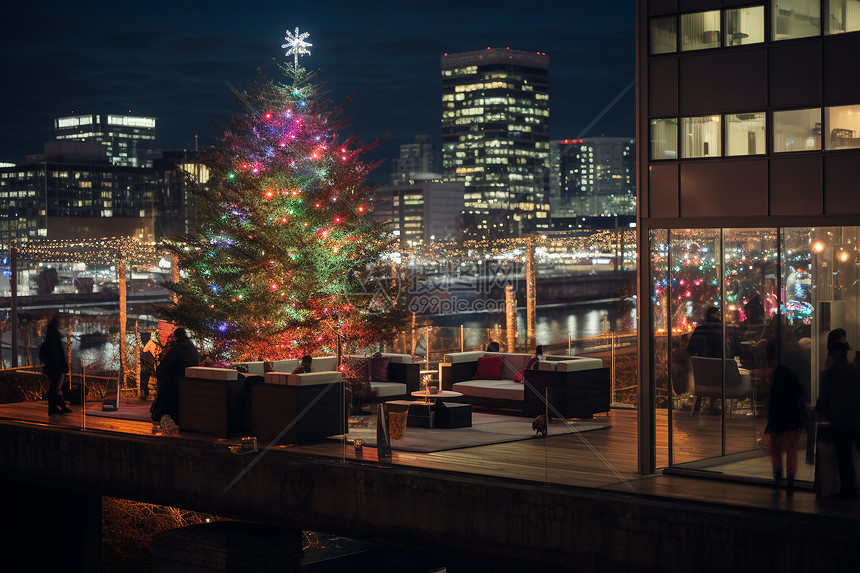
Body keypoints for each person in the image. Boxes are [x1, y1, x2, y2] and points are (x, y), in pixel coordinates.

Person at [815, 328, 860, 499]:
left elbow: (825, 397)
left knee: (844, 458)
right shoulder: (854, 371)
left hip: (840, 421)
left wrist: (825, 416)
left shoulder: (830, 373)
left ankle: (848, 490)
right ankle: (850, 489)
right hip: (854, 418)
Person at [765, 365, 806, 494]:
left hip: (778, 425)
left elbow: (772, 411)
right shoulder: (795, 390)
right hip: (793, 425)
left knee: (776, 451)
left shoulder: (775, 390)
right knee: (791, 451)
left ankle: (777, 475)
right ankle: (790, 478)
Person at [150, 328, 199, 435]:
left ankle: (163, 417)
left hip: (175, 384)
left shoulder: (176, 350)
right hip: (190, 382)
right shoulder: (193, 350)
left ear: (177, 337)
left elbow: (163, 367)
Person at [40, 315, 71, 415]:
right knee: (55, 387)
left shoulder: (50, 335)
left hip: (52, 366)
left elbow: (45, 351)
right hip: (56, 366)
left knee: (55, 387)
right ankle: (55, 407)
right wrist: (64, 366)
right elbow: (59, 353)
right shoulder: (54, 336)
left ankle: (57, 407)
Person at [139, 332, 159, 400]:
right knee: (144, 379)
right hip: (146, 365)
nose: (142, 340)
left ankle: (148, 394)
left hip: (149, 365)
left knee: (148, 380)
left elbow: (154, 355)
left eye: (142, 338)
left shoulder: (151, 344)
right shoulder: (149, 344)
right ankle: (144, 393)